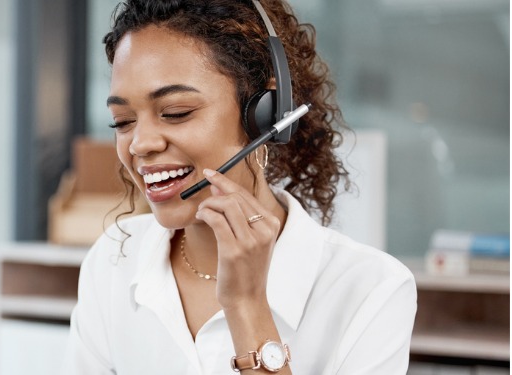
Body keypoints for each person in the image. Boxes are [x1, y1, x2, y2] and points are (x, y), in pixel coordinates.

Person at [63, 0, 417, 374]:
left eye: (175, 113)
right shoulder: (114, 262)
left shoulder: (371, 290)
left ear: (265, 112)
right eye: (122, 121)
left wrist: (247, 307)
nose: (140, 144)